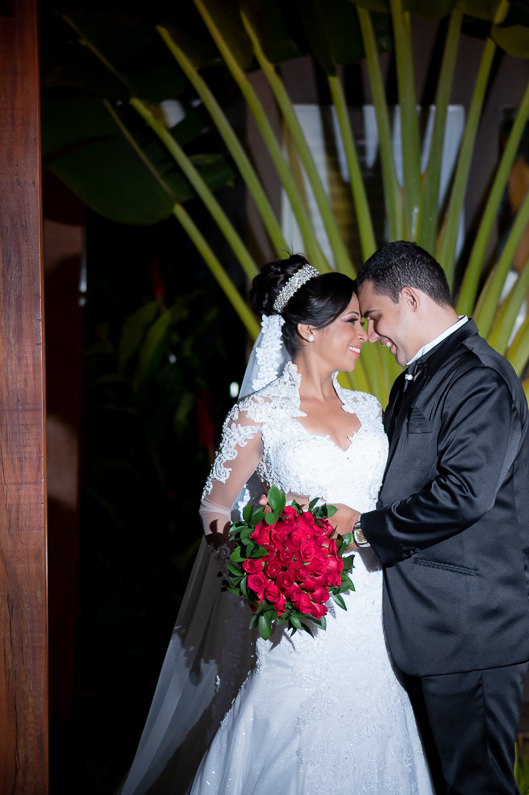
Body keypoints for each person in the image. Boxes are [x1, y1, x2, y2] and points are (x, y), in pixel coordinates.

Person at [117, 256, 435, 795]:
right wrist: (257, 564)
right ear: (308, 330)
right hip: (299, 612)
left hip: (373, 608)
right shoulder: (258, 414)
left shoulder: (369, 409)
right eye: (351, 322)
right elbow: (215, 509)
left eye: (363, 321)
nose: (365, 335)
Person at [325, 241, 529, 795]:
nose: (371, 334)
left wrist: (364, 529)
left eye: (374, 316)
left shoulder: (478, 377)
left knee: (477, 786)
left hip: (473, 628)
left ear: (410, 298)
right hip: (435, 627)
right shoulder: (418, 376)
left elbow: (465, 495)